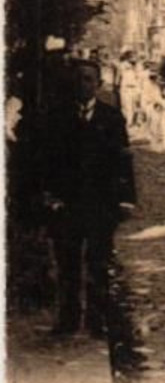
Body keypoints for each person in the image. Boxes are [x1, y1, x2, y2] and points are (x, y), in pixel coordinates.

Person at [41, 58, 136, 337]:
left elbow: (123, 159)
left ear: (99, 84)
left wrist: (126, 198)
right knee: (67, 263)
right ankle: (68, 320)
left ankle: (97, 321)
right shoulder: (57, 116)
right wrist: (49, 194)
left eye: (89, 79)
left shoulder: (111, 117)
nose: (83, 85)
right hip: (67, 204)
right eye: (78, 79)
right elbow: (47, 160)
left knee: (99, 263)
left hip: (101, 204)